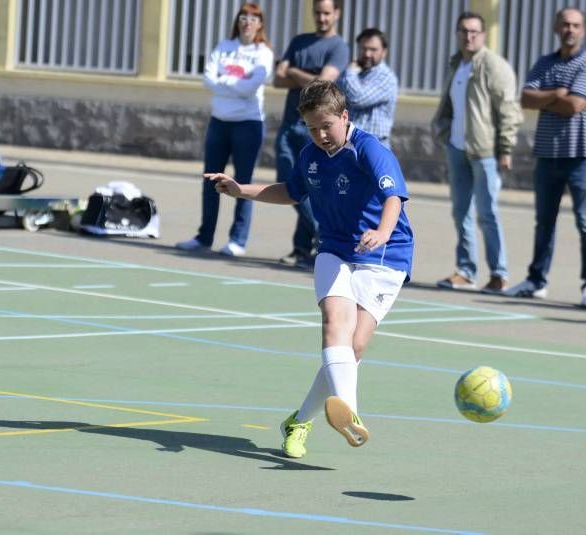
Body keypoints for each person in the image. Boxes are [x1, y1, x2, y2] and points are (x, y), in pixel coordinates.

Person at [206, 80, 414, 458]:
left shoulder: (368, 148)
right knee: (335, 323)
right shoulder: (310, 155)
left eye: (326, 126)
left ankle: (299, 421)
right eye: (312, 128)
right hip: (334, 250)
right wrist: (241, 190)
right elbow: (290, 191)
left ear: (344, 117)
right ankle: (350, 412)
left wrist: (382, 232)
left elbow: (393, 197)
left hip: (386, 255)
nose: (320, 135)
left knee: (355, 346)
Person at [506, 7, 586, 309]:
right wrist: (558, 92)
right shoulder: (545, 63)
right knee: (544, 222)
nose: (570, 30)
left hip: (580, 156)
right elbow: (524, 99)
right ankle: (536, 281)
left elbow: (574, 105)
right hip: (547, 155)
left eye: (575, 25)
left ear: (583, 30)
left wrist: (548, 97)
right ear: (556, 28)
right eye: (565, 24)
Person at [432, 11, 522, 293]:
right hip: (457, 148)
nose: (468, 36)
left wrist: (505, 148)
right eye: (463, 31)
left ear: (482, 35)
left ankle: (499, 274)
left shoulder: (494, 66)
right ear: (457, 34)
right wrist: (443, 132)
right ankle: (466, 271)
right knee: (461, 212)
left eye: (474, 31)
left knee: (487, 213)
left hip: (485, 152)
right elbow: (448, 105)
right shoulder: (456, 64)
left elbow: (509, 110)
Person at [176, 3, 273, 257]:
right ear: (238, 21)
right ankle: (204, 237)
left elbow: (250, 88)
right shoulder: (224, 46)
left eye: (253, 19)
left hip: (248, 123)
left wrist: (225, 82)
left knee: (242, 183)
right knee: (210, 181)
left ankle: (237, 241)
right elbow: (208, 78)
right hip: (219, 121)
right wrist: (233, 84)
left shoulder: (263, 53)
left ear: (260, 24)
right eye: (243, 18)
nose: (247, 23)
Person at [273, 0, 349, 268]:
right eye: (317, 12)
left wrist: (293, 70)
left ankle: (315, 241)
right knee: (287, 180)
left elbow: (323, 84)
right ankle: (308, 244)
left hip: (316, 129)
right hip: (290, 123)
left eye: (327, 13)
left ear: (336, 14)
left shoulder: (338, 47)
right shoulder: (300, 41)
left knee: (311, 184)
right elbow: (277, 79)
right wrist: (306, 77)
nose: (322, 17)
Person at [337, 28, 398, 146]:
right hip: (349, 142)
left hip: (374, 144)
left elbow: (358, 99)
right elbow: (335, 96)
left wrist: (350, 72)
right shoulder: (356, 73)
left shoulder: (386, 77)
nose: (367, 54)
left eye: (373, 50)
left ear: (384, 52)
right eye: (363, 48)